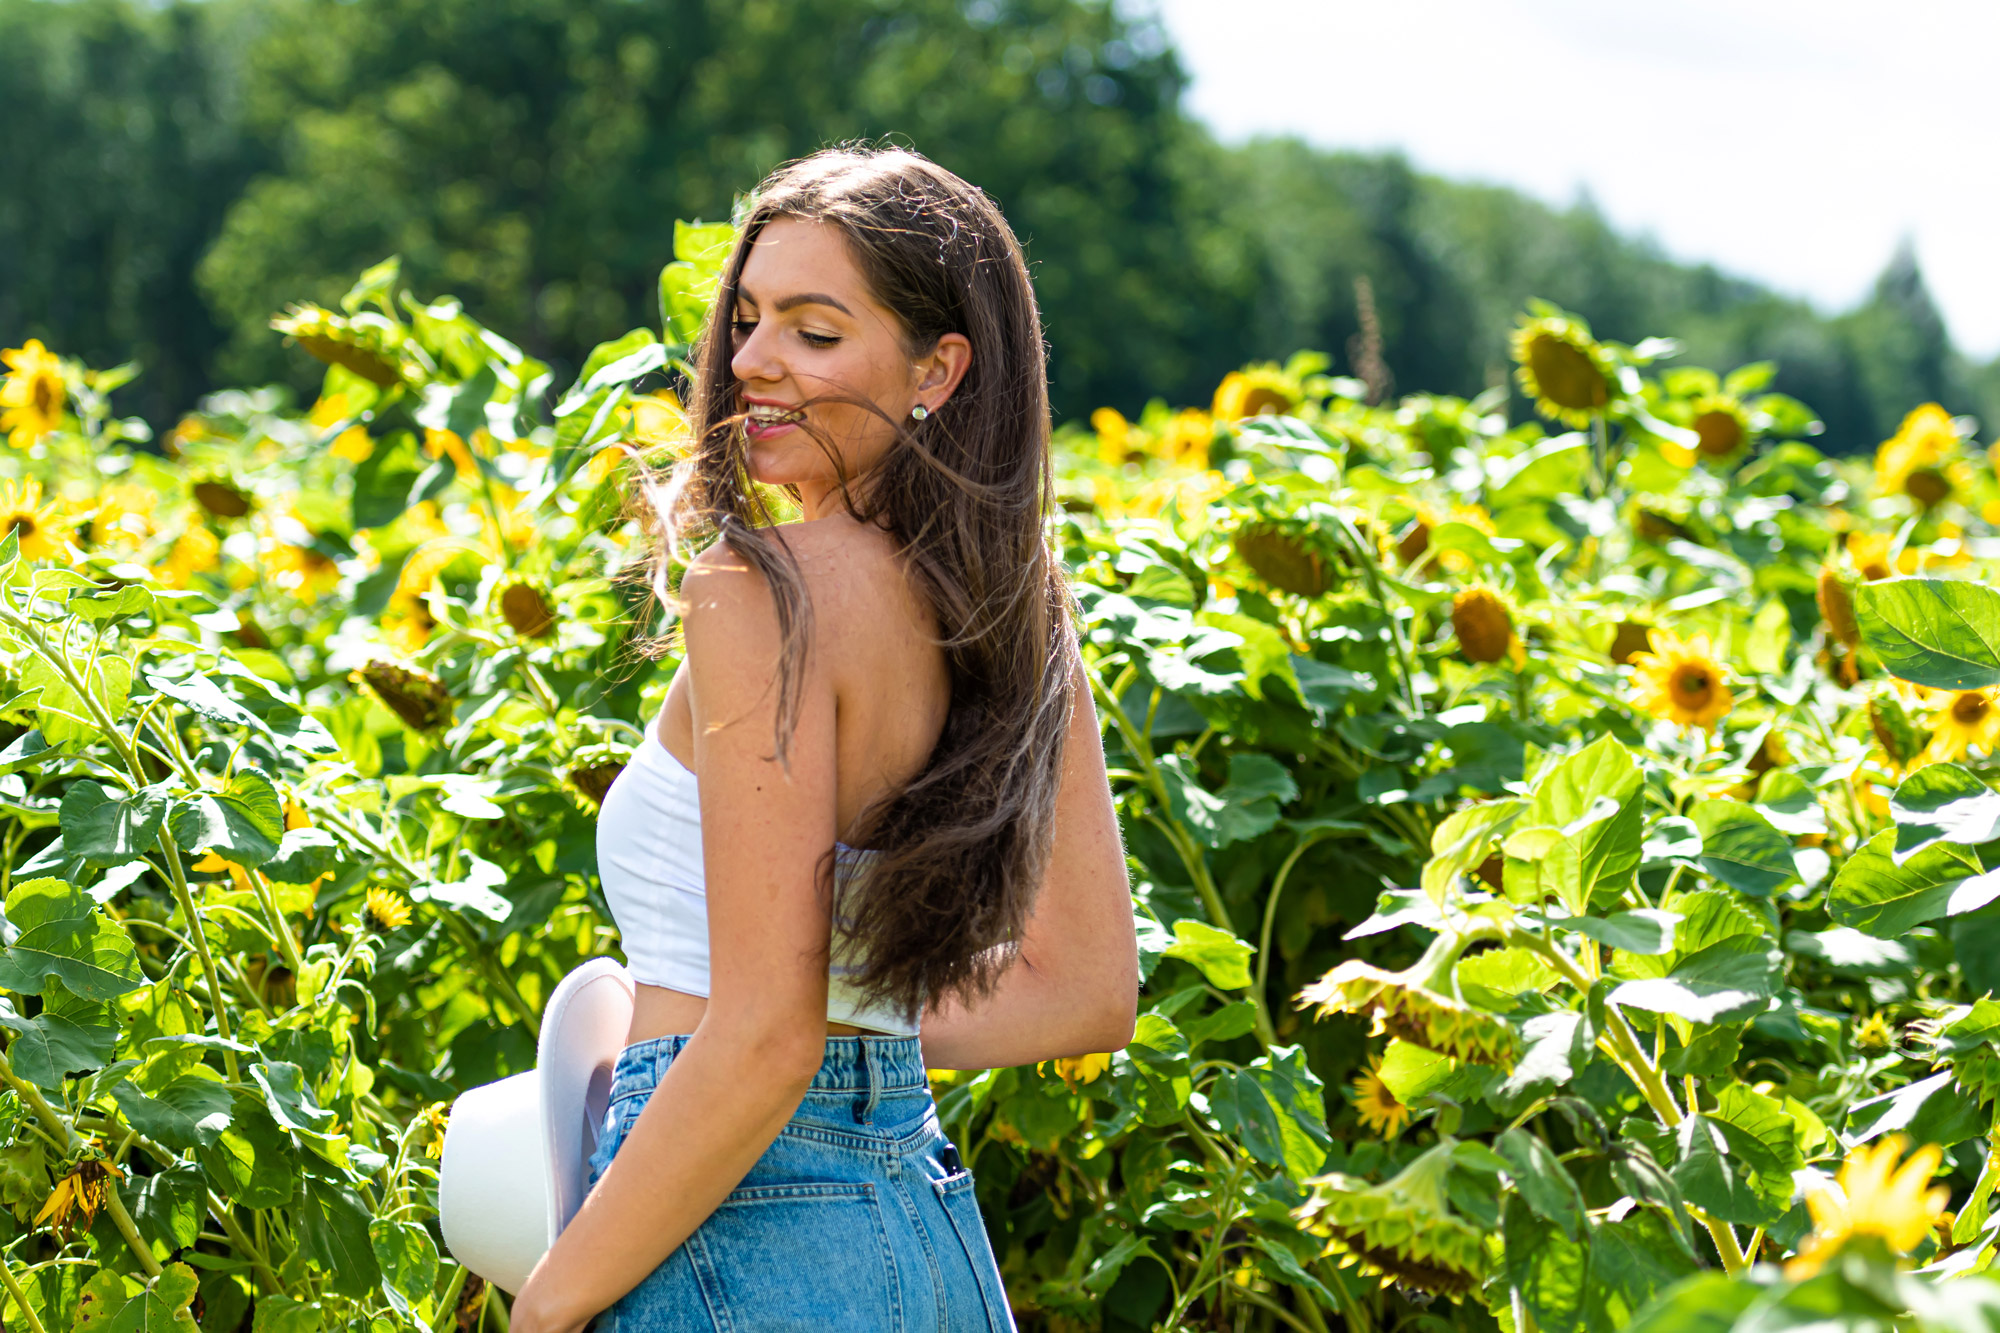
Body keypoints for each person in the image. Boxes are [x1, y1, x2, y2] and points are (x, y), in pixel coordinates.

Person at [507, 146, 1138, 1333]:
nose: (748, 361)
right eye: (747, 320)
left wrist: (547, 1310)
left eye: (813, 330)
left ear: (936, 368)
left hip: (733, 1231)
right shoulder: (1016, 610)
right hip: (924, 1228)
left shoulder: (756, 592)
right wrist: (862, 1030)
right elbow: (1088, 993)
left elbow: (761, 1035)